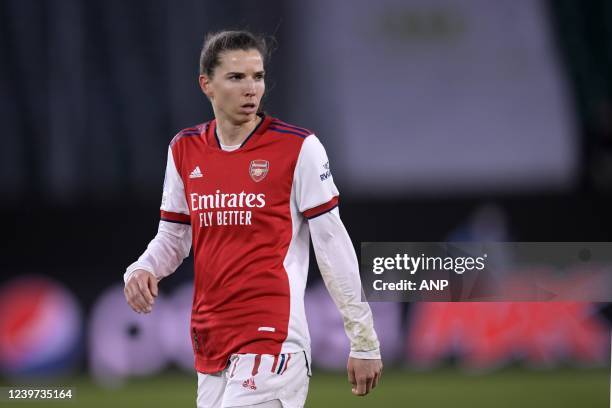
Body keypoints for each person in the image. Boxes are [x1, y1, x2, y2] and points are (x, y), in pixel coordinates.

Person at [123, 30, 382, 408]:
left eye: (257, 76)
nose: (251, 89)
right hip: (210, 341)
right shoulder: (184, 149)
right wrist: (143, 268)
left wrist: (363, 340)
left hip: (273, 340)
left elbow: (332, 244)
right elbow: (175, 236)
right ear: (206, 84)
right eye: (236, 77)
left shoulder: (298, 148)